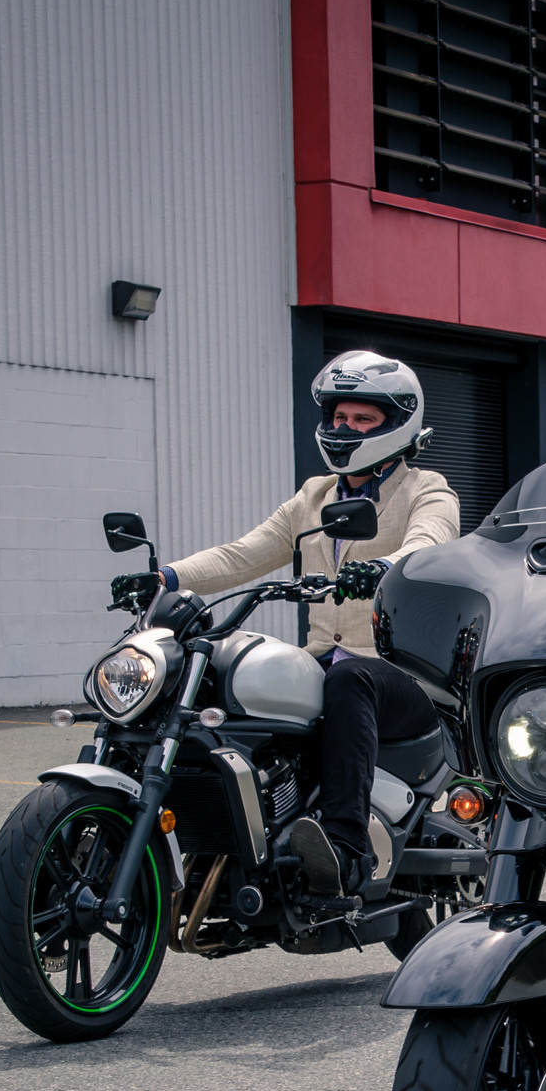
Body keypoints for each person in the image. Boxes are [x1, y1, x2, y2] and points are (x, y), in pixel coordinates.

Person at [112, 349, 460, 898]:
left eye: (363, 419)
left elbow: (429, 544)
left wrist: (383, 569)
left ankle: (345, 850)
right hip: (325, 663)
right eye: (340, 417)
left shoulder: (427, 490)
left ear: (396, 424)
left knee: (352, 679)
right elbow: (244, 554)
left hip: (402, 675)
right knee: (230, 675)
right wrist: (166, 578)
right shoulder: (314, 497)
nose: (347, 428)